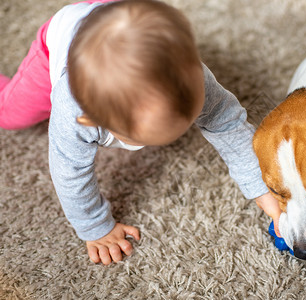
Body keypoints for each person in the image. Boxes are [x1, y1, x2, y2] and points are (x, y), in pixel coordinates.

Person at [0, 0, 281, 265]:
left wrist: (262, 188)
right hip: (63, 33)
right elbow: (69, 173)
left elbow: (227, 123)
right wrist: (96, 228)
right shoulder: (72, 109)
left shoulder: (193, 75)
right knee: (11, 114)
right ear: (93, 121)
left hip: (120, 14)